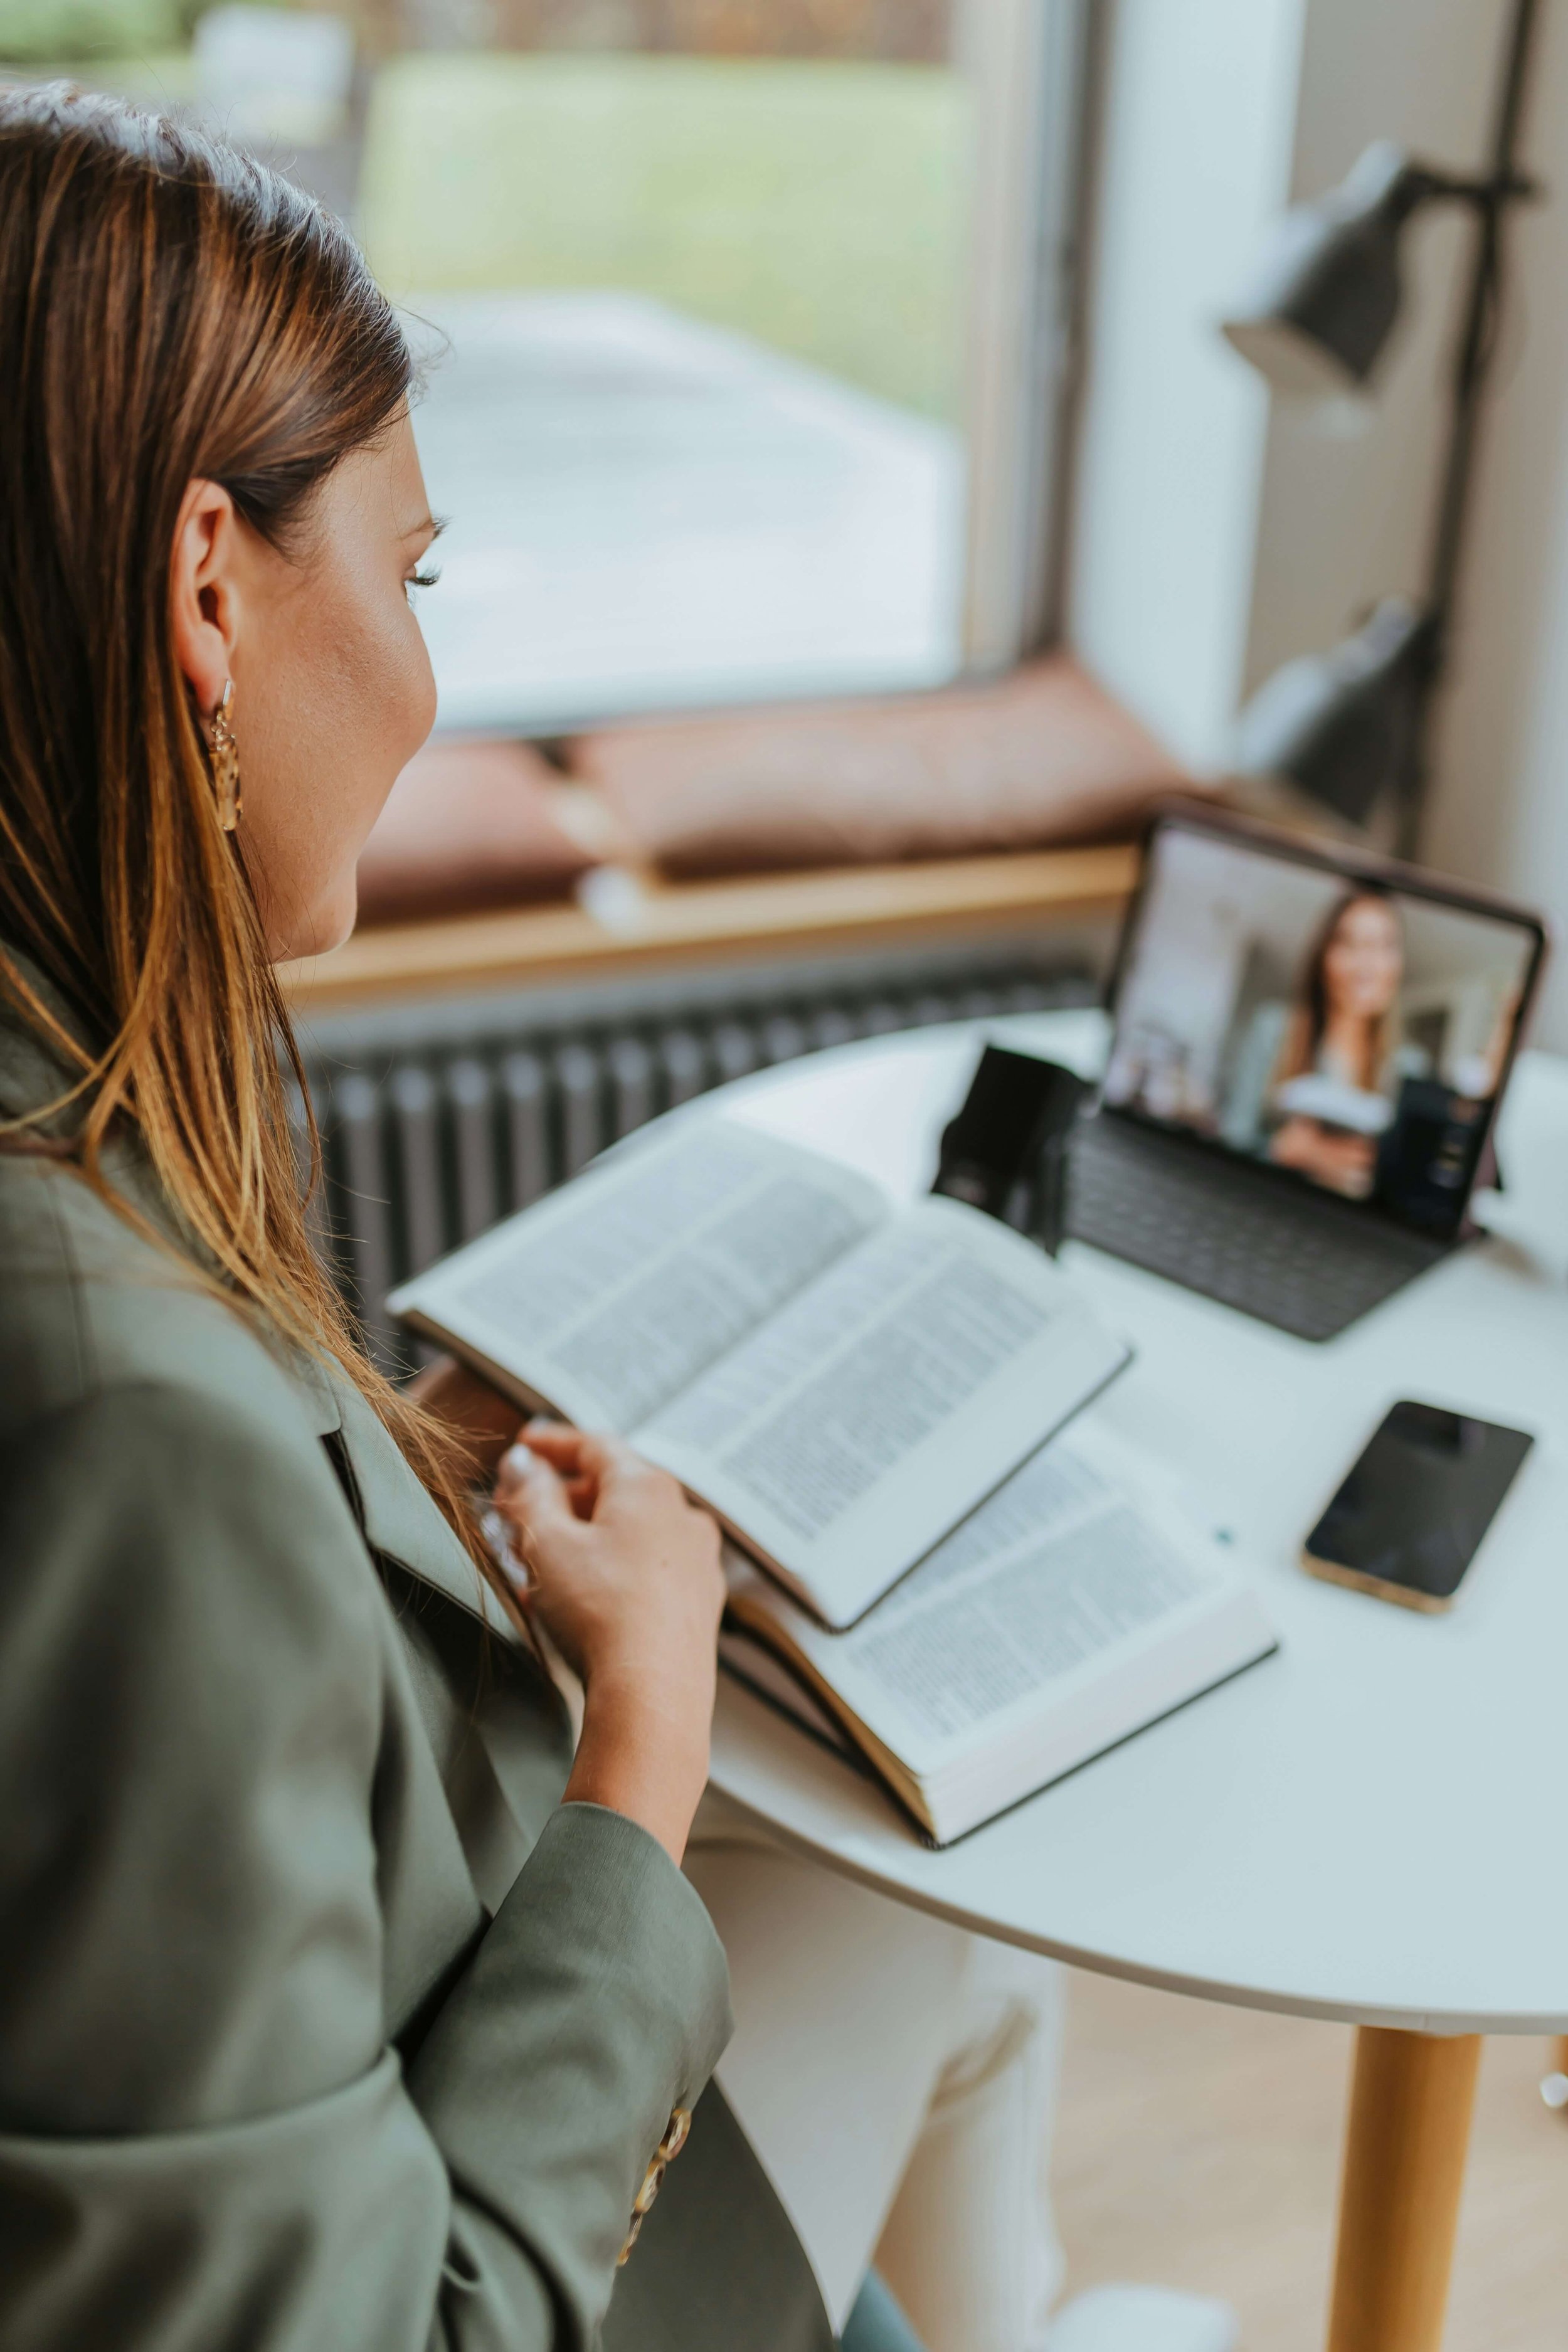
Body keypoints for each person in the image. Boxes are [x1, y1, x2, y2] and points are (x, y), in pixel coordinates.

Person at [0, 87, 1235, 2352]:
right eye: (412, 572)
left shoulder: (62, 1147)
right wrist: (643, 1726)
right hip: (446, 2209)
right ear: (205, 587)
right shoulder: (118, 1414)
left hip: (370, 2006)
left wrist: (380, 1464)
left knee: (939, 1997)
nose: (426, 665)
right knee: (935, 1932)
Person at [1266, 887, 1406, 1197]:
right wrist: (1292, 1151)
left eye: (1383, 946)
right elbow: (1226, 1140)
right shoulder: (1273, 1032)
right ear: (1324, 956)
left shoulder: (1409, 1067)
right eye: (1350, 944)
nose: (1366, 966)